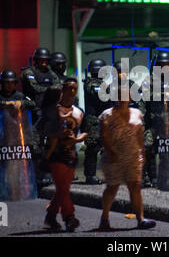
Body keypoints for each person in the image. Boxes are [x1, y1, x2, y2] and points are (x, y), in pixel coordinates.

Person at [98, 87, 156, 230]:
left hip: (133, 157)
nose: (122, 99)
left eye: (125, 96)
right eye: (119, 96)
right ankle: (104, 218)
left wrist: (142, 153)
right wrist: (111, 152)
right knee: (112, 188)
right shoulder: (107, 115)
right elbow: (104, 137)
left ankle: (141, 219)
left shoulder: (137, 114)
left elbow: (140, 136)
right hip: (114, 157)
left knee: (135, 187)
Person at [42, 77, 88, 232]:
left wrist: (78, 139)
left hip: (71, 155)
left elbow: (86, 130)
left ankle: (50, 215)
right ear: (63, 90)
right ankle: (69, 217)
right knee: (63, 188)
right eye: (69, 88)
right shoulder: (53, 110)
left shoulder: (79, 111)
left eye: (75, 88)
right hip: (55, 155)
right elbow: (41, 128)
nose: (72, 92)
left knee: (63, 188)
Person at [21, 48, 61, 187]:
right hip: (32, 113)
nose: (44, 63)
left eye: (46, 61)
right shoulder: (29, 73)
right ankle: (34, 176)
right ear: (36, 60)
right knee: (34, 146)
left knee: (49, 146)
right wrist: (50, 90)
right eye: (41, 60)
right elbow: (35, 88)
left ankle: (45, 174)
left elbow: (58, 86)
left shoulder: (51, 73)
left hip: (47, 113)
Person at [82, 59, 110, 185]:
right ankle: (90, 175)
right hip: (93, 121)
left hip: (102, 120)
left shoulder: (102, 83)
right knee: (92, 149)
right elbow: (103, 96)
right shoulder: (91, 83)